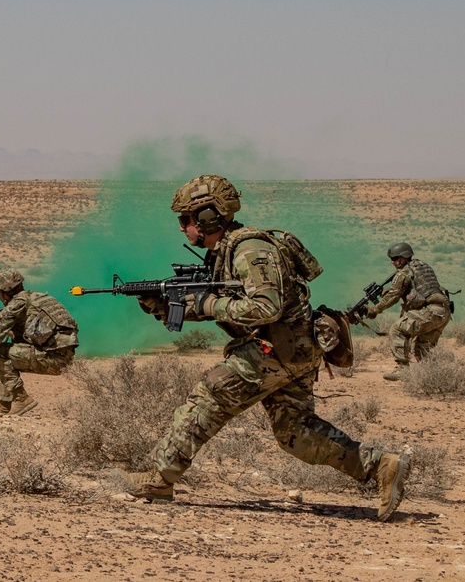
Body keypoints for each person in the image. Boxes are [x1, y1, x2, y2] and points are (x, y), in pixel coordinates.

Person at [123, 174, 411, 522]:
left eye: (186, 219)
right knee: (296, 432)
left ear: (209, 217)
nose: (182, 228)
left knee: (207, 398)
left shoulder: (250, 250)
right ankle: (380, 466)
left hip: (276, 347)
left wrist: (209, 305)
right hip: (292, 349)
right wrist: (161, 305)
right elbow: (226, 305)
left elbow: (265, 307)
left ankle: (159, 480)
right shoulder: (225, 252)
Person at [0, 269, 79, 416]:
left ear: (4, 291)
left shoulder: (16, 304)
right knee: (5, 352)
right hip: (63, 356)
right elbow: (32, 333)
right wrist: (8, 329)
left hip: (54, 360)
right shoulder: (36, 297)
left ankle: (21, 399)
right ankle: (4, 406)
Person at [364, 242, 451, 381]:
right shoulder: (422, 267)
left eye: (396, 258)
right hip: (443, 313)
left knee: (397, 329)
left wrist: (374, 310)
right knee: (422, 349)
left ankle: (403, 370)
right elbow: (418, 292)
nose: (393, 262)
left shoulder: (403, 273)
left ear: (405, 257)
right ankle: (435, 377)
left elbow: (393, 296)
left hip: (431, 312)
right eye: (392, 259)